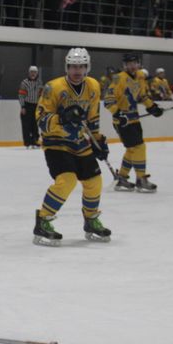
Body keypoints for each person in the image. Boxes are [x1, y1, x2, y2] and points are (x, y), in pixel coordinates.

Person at [33, 47, 110, 246]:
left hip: (79, 143)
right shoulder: (53, 87)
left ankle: (91, 220)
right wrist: (62, 118)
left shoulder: (93, 86)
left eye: (81, 66)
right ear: (67, 67)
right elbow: (41, 119)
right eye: (73, 66)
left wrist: (98, 140)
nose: (77, 71)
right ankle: (43, 220)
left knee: (94, 180)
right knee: (67, 180)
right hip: (56, 143)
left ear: (87, 68)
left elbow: (92, 117)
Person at [103, 52, 164, 192]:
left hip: (134, 119)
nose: (131, 66)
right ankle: (141, 179)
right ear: (124, 65)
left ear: (138, 64)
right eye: (128, 64)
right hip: (123, 122)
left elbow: (141, 96)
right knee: (139, 147)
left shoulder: (140, 77)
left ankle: (122, 178)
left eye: (134, 63)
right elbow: (108, 101)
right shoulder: (119, 79)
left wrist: (152, 107)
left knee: (132, 149)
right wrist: (119, 113)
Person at [18, 66, 43, 148]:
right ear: (29, 73)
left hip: (36, 106)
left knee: (35, 124)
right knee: (26, 125)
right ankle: (27, 142)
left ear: (37, 73)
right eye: (31, 72)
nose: (33, 74)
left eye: (34, 72)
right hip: (27, 105)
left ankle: (35, 141)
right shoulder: (24, 83)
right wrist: (23, 107)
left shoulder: (39, 83)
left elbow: (41, 95)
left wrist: (41, 106)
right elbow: (21, 95)